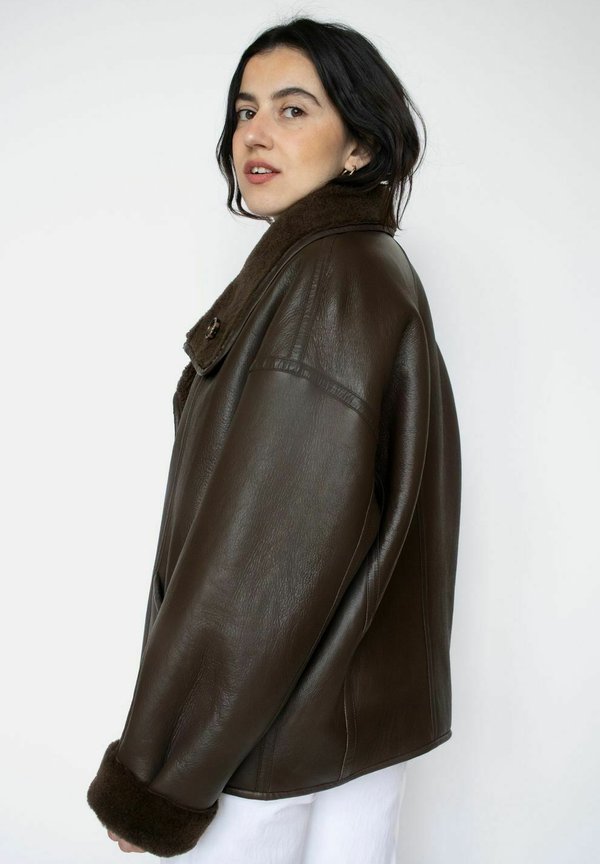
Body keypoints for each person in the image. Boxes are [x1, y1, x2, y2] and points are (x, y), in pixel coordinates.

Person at [86, 16, 461, 862]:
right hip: (351, 729)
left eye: (293, 109)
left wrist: (157, 777)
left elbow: (257, 566)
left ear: (360, 145)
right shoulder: (371, 267)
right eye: (245, 110)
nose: (255, 133)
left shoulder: (325, 283)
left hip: (266, 742)